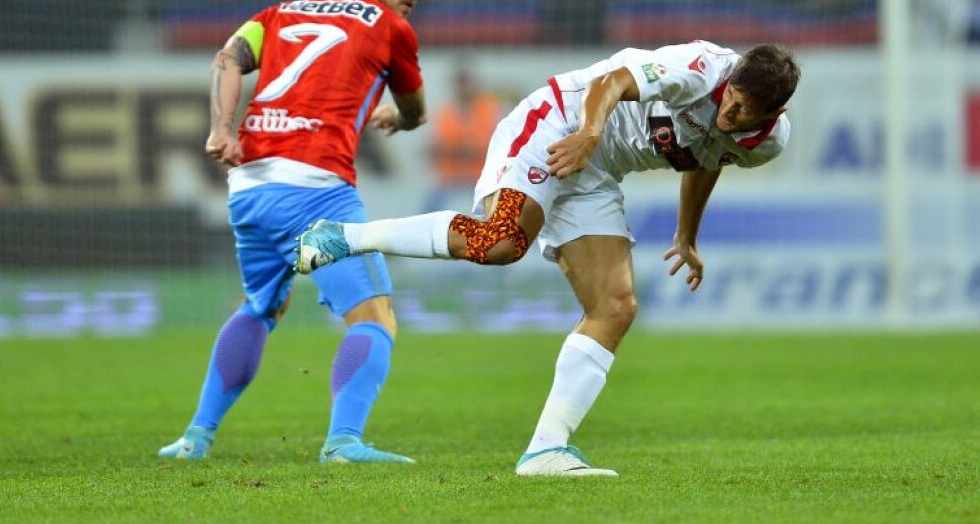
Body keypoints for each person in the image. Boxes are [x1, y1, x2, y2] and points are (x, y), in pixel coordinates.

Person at [297, 40, 800, 476]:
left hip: (599, 173)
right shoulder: (699, 67)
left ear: (771, 115)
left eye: (743, 112)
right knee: (499, 241)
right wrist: (589, 134)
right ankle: (344, 237)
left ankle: (546, 449)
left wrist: (686, 234)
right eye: (731, 99)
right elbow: (610, 82)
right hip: (560, 123)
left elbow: (708, 159)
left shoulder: (768, 143)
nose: (728, 114)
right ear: (730, 80)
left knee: (616, 307)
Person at [158, 0, 428, 464]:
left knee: (263, 305)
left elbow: (227, 59)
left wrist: (221, 129)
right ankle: (345, 442)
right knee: (376, 317)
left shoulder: (279, 11)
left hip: (250, 187)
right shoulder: (393, 28)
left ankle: (195, 437)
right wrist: (401, 119)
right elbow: (416, 109)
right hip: (315, 191)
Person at [423, 66, 504, 212]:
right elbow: (432, 148)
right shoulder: (445, 112)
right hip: (449, 179)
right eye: (460, 84)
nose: (464, 88)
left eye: (466, 83)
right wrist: (459, 151)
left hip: (480, 178)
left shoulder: (489, 109)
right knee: (427, 213)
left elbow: (498, 147)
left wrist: (459, 150)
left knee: (494, 213)